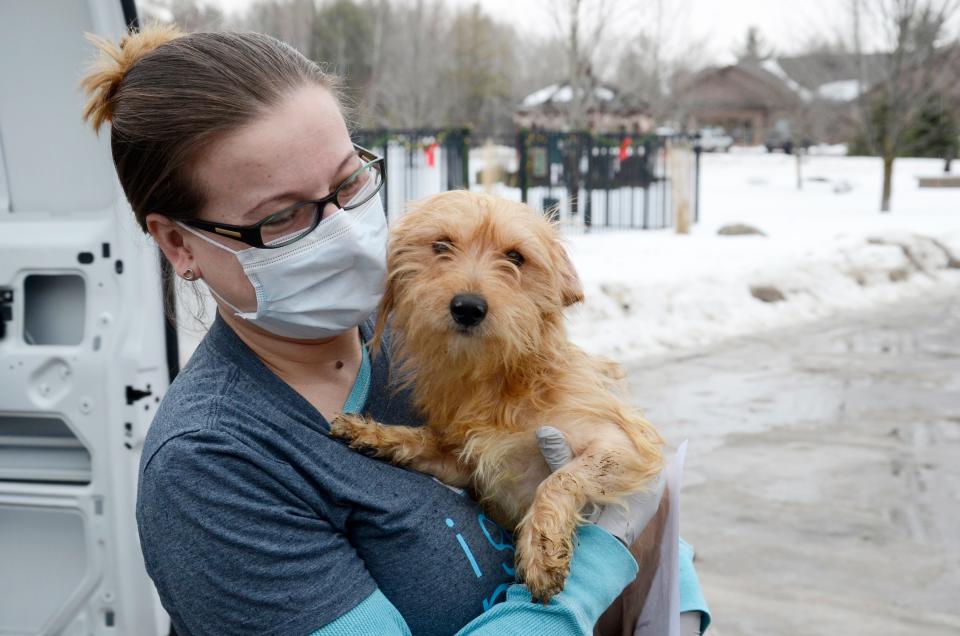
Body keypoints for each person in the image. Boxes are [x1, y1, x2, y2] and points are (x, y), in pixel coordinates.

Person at [81, 24, 711, 636]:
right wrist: (600, 552)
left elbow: (615, 462)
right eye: (283, 215)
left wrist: (673, 597)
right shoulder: (212, 467)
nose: (338, 227)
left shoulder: (430, 333)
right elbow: (615, 533)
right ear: (177, 243)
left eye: (349, 180)